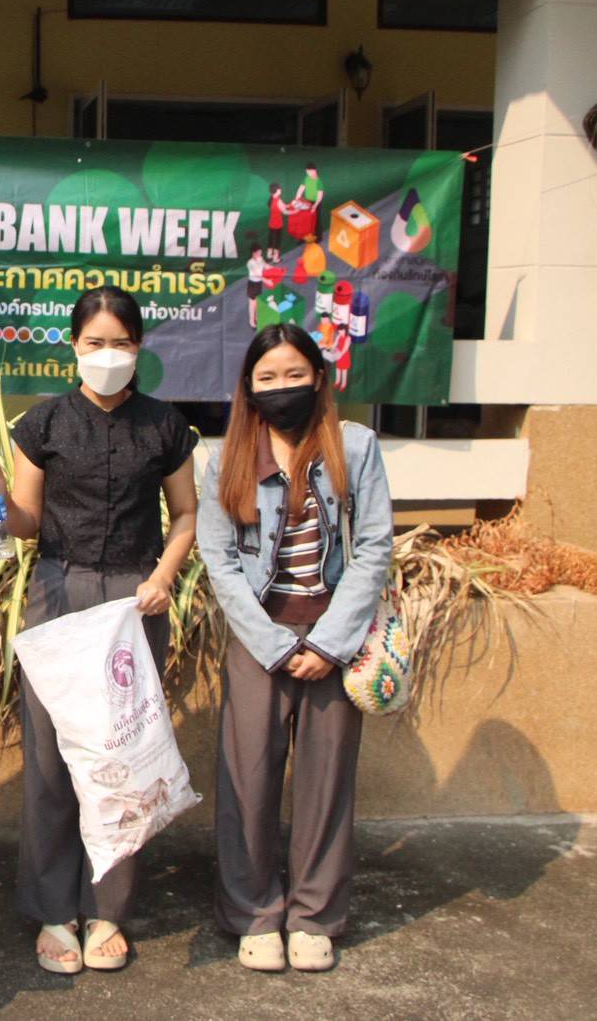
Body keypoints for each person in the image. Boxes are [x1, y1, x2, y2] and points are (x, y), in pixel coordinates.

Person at [0, 285, 199, 975]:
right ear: (73, 347)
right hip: (58, 594)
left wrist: (164, 575)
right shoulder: (43, 424)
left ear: (139, 347)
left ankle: (107, 910)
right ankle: (54, 909)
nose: (107, 355)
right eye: (93, 342)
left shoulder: (165, 426)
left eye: (120, 342)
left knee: (122, 755)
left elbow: (185, 516)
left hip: (133, 600)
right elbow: (23, 528)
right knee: (53, 759)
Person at [194, 324, 393, 974]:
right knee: (247, 777)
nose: (281, 388)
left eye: (293, 374)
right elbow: (218, 560)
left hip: (335, 631)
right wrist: (275, 645)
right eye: (266, 378)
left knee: (325, 781)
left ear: (318, 377)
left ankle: (314, 915)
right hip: (260, 636)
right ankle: (252, 911)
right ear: (248, 389)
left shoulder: (355, 447)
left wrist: (330, 642)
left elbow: (372, 547)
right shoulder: (223, 459)